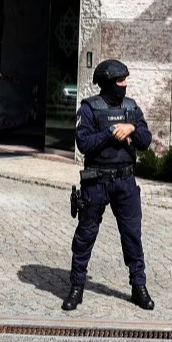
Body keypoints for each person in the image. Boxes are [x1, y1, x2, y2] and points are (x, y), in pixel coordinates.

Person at [62, 59, 154, 313]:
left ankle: (139, 287)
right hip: (96, 181)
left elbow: (146, 140)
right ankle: (76, 287)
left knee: (132, 236)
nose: (124, 85)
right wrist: (112, 132)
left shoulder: (131, 108)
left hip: (125, 181)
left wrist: (132, 128)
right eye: (120, 81)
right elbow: (84, 144)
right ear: (107, 83)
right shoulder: (90, 108)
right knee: (85, 236)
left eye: (125, 80)